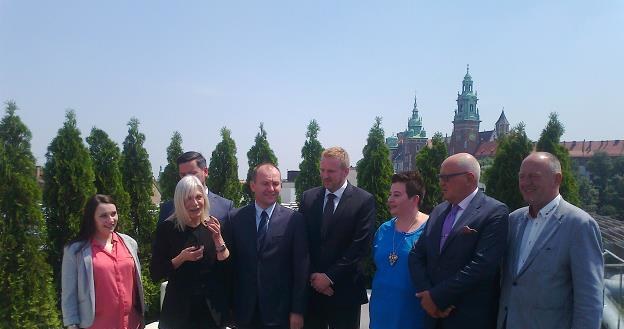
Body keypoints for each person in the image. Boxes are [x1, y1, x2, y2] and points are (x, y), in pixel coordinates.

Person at [496, 152, 604, 329]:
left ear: (557, 179)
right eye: (522, 177)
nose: (525, 183)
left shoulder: (579, 225)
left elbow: (589, 299)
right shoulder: (514, 220)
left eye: (534, 177)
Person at [408, 153, 509, 329]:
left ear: (469, 178)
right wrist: (427, 296)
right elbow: (417, 255)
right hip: (432, 316)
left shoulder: (494, 212)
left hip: (467, 317)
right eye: (440, 177)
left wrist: (438, 297)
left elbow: (482, 266)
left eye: (447, 177)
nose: (441, 183)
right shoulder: (439, 211)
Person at [223, 163, 309, 329]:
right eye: (265, 183)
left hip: (280, 313)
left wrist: (297, 311)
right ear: (253, 185)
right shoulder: (235, 219)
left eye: (276, 183)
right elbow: (229, 268)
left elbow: (301, 270)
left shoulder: (294, 220)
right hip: (243, 312)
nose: (271, 188)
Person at [299, 146, 376, 329]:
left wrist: (329, 277)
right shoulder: (308, 198)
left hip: (345, 293)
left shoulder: (363, 201)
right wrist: (314, 277)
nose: (325, 175)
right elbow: (301, 242)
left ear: (346, 171)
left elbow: (360, 246)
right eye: (322, 170)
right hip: (311, 292)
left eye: (331, 171)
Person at [151, 175, 231, 329]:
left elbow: (227, 270)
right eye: (188, 199)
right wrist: (180, 259)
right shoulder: (167, 229)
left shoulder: (212, 226)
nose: (194, 203)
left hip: (211, 313)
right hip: (179, 313)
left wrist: (219, 240)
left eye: (198, 197)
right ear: (180, 202)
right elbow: (156, 272)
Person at [61, 194, 145, 329]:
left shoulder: (130, 244)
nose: (111, 220)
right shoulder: (75, 251)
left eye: (113, 214)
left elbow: (136, 286)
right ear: (92, 219)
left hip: (131, 323)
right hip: (97, 325)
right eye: (103, 216)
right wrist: (72, 324)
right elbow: (68, 294)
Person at [370, 171, 429, 329]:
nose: (390, 200)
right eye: (390, 194)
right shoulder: (383, 230)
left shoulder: (430, 230)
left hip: (413, 316)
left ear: (415, 199)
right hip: (380, 315)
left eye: (396, 195)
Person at [158, 151, 233, 224]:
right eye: (183, 175)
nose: (188, 178)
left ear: (205, 172)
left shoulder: (224, 207)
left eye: (192, 173)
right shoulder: (168, 208)